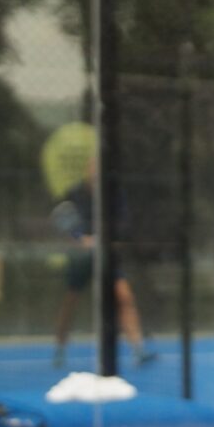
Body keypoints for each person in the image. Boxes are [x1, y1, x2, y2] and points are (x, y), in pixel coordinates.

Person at [51, 156, 156, 369]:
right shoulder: (75, 194)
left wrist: (105, 240)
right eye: (92, 168)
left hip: (107, 257)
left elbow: (123, 225)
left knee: (125, 297)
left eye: (99, 168)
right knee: (70, 302)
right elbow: (68, 225)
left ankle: (138, 349)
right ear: (87, 170)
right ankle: (60, 350)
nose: (95, 172)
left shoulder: (115, 195)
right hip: (82, 260)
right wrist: (82, 240)